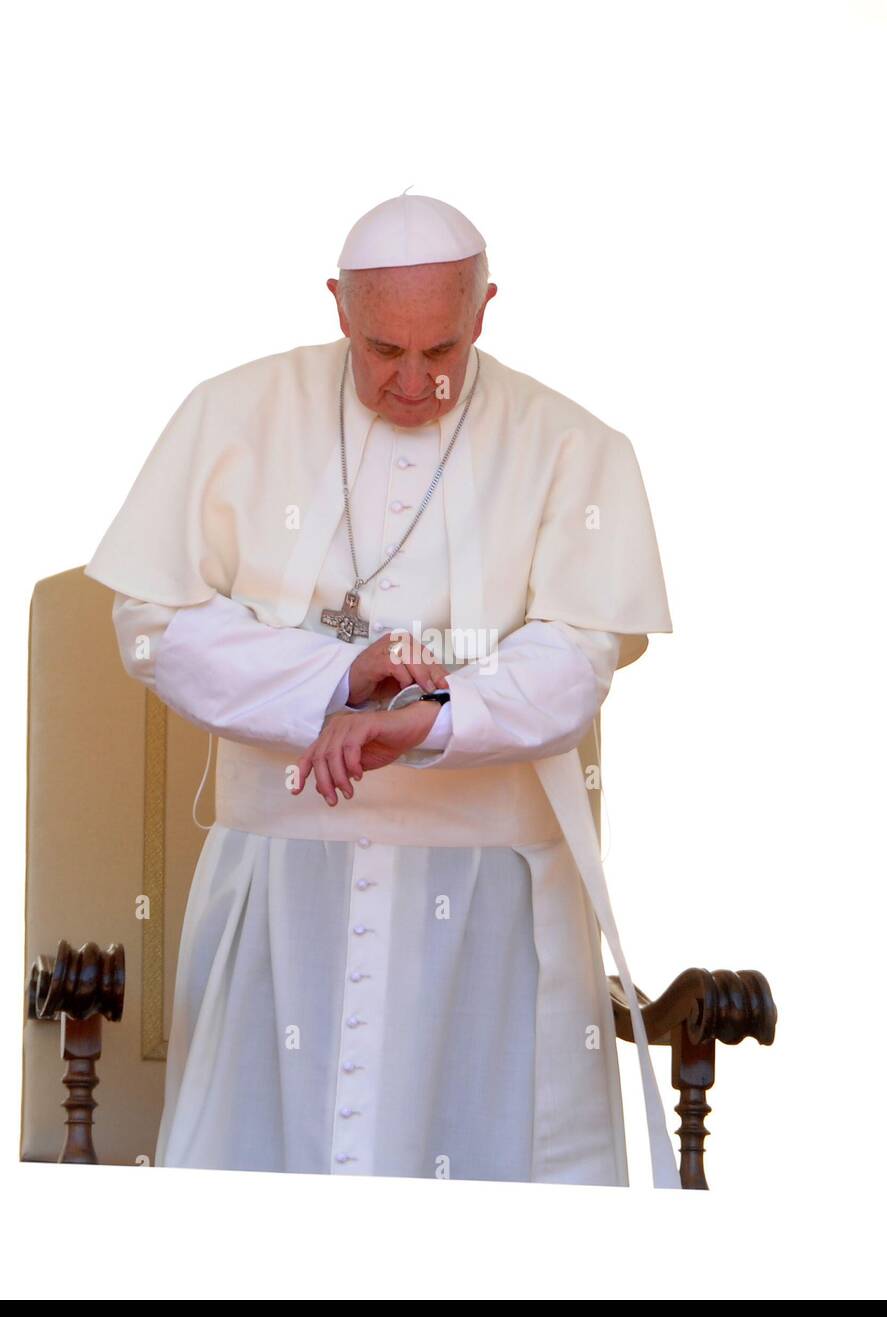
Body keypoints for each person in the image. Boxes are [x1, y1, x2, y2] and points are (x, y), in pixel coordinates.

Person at [85, 192, 681, 1188]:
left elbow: (580, 655)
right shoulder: (231, 414)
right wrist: (331, 676)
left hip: (492, 894)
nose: (413, 383)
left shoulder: (572, 443)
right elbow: (151, 624)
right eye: (381, 352)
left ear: (485, 307)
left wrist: (433, 721)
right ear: (335, 306)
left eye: (439, 350)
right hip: (278, 880)